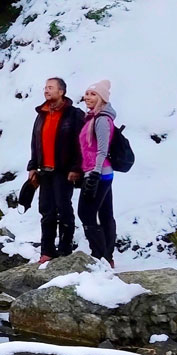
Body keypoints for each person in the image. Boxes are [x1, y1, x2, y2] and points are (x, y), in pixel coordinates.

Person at [27, 76, 85, 261]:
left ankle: (65, 250)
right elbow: (35, 142)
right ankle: (47, 251)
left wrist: (77, 167)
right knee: (46, 210)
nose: (46, 90)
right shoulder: (41, 114)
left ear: (61, 91)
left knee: (64, 209)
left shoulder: (74, 114)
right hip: (44, 170)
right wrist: (32, 166)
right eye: (45, 87)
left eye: (50, 87)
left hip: (64, 170)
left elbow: (82, 143)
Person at [77, 79, 119, 266]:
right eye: (87, 93)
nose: (88, 97)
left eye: (93, 94)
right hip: (99, 172)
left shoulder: (102, 120)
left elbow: (102, 149)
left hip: (99, 173)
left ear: (102, 98)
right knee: (105, 213)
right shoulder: (93, 118)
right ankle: (107, 256)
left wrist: (94, 173)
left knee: (86, 213)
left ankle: (99, 255)